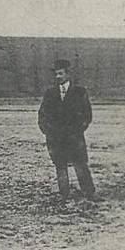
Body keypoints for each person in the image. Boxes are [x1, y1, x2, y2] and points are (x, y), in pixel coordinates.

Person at [38, 58, 99, 202]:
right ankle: (64, 195)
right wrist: (48, 132)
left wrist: (77, 131)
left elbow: (87, 115)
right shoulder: (50, 93)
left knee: (80, 165)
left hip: (74, 138)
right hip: (56, 138)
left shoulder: (80, 92)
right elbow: (42, 115)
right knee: (61, 167)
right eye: (56, 74)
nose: (57, 77)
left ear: (68, 74)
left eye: (60, 73)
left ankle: (89, 193)